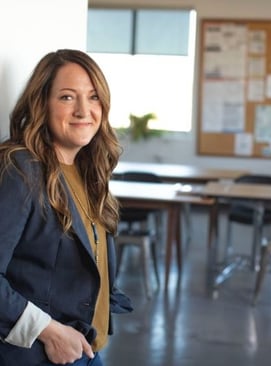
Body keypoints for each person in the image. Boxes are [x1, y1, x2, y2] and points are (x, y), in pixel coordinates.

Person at [0, 49, 133, 365]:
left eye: (93, 97)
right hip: (42, 353)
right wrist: (49, 331)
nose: (84, 110)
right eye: (67, 98)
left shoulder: (88, 170)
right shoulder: (21, 169)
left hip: (86, 349)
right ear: (41, 103)